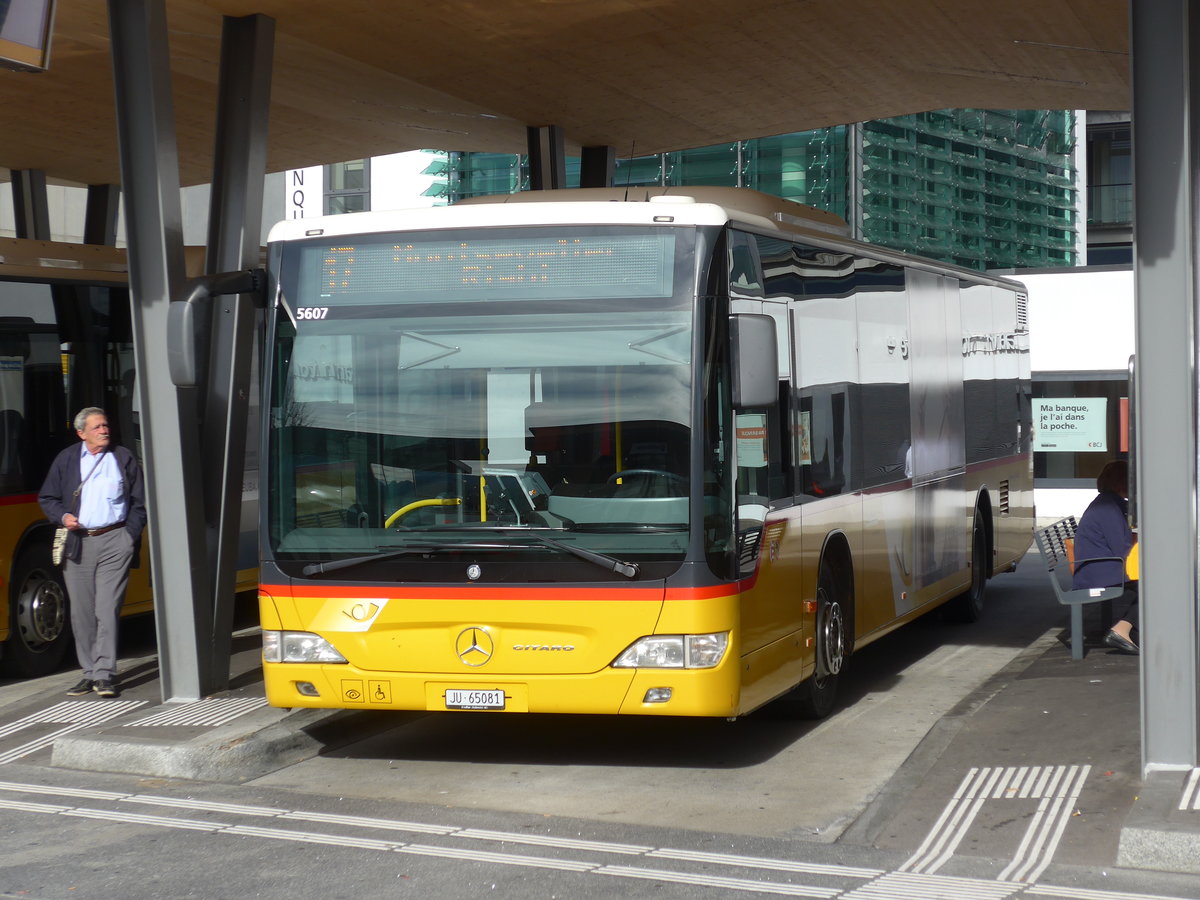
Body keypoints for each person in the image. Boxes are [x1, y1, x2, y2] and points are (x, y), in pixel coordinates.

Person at [38, 408, 146, 697]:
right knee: (82, 612)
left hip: (115, 540)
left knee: (106, 608)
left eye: (106, 425)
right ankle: (89, 672)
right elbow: (46, 497)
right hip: (78, 543)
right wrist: (62, 517)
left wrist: (128, 536)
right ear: (81, 433)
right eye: (97, 427)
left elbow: (139, 501)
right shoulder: (67, 459)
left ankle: (105, 673)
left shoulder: (122, 457)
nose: (104, 430)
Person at [1072, 459, 1139, 654]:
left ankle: (1131, 630)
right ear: (1122, 483)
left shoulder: (1109, 503)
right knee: (1155, 587)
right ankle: (1122, 630)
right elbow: (1123, 548)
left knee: (1155, 583)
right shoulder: (1108, 508)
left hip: (1099, 567)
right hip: (1100, 571)